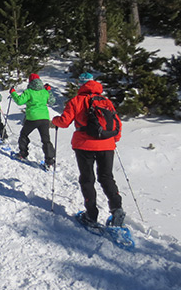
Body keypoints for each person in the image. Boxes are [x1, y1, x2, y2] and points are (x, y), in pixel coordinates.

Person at [51, 72, 126, 227]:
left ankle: (91, 215)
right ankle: (117, 208)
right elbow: (116, 122)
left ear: (81, 85)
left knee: (87, 179)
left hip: (84, 145)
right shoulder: (105, 101)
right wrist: (113, 140)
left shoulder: (76, 100)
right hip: (107, 144)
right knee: (106, 177)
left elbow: (64, 122)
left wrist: (54, 120)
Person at [10, 73, 55, 167]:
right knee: (46, 140)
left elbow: (19, 101)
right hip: (45, 118)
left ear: (30, 81)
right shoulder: (45, 91)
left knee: (24, 135)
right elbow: (52, 101)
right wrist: (49, 91)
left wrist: (13, 92)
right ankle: (49, 161)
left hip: (32, 118)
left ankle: (23, 154)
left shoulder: (29, 91)